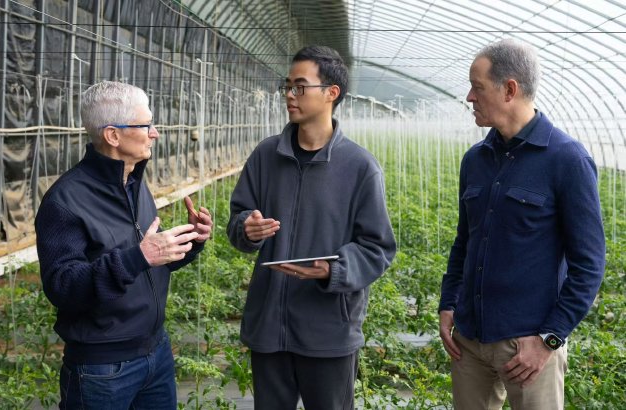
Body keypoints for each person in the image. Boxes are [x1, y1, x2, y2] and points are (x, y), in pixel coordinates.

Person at [438, 39, 605, 409]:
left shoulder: (567, 160)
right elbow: (464, 241)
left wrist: (549, 338)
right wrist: (448, 302)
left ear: (509, 89)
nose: (469, 96)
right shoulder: (475, 160)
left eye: (477, 87)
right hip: (469, 339)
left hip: (528, 348)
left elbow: (589, 264)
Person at [227, 45, 396, 410]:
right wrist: (247, 229)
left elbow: (378, 247)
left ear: (331, 93)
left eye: (300, 87)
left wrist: (333, 270)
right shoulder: (265, 156)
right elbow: (238, 219)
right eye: (287, 86)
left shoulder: (360, 167)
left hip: (329, 331)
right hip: (269, 328)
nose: (290, 95)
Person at [35, 81, 213, 409]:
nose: (155, 133)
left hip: (155, 352)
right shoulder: (65, 201)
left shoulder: (133, 184)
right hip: (102, 369)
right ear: (113, 135)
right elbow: (62, 287)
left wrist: (191, 241)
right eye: (146, 125)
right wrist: (139, 256)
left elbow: (147, 263)